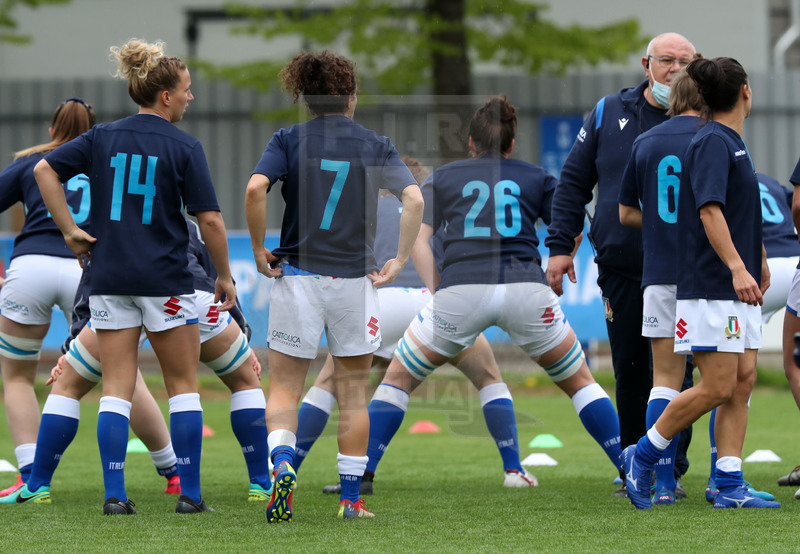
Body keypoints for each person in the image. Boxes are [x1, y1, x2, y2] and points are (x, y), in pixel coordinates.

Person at [361, 95, 623, 493]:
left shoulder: (444, 178)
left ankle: (363, 474)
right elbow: (570, 224)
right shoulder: (536, 176)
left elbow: (418, 237)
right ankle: (627, 467)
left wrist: (437, 289)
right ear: (511, 144)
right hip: (525, 288)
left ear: (470, 143)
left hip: (462, 290)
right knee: (580, 381)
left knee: (397, 378)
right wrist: (560, 257)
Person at [34, 39, 235, 516]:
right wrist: (224, 275)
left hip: (110, 279)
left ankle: (115, 495)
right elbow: (208, 220)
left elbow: (44, 168)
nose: (191, 98)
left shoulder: (102, 138)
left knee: (116, 387)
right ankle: (189, 494)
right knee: (183, 385)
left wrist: (70, 231)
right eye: (187, 90)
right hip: (165, 279)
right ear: (165, 95)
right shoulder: (185, 145)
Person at [245, 51, 423, 521]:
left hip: (297, 278)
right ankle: (350, 499)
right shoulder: (375, 144)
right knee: (352, 394)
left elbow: (254, 189)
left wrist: (260, 250)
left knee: (284, 387)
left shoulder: (287, 139)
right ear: (351, 95)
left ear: (304, 97)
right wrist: (400, 258)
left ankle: (282, 462)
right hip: (352, 282)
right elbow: (413, 198)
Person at [293, 158, 538, 493]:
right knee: (489, 378)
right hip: (432, 302)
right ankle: (513, 469)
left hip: (384, 303)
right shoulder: (431, 211)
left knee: (329, 381)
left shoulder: (368, 211)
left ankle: (290, 467)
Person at [1, 219, 270, 505]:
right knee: (237, 380)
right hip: (183, 294)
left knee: (74, 386)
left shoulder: (105, 216)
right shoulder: (184, 220)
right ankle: (257, 484)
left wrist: (71, 347)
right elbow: (217, 272)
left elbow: (89, 281)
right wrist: (240, 333)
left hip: (121, 298)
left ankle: (40, 485)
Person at [622, 57, 780, 510]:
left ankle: (729, 485)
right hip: (713, 285)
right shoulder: (712, 141)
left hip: (738, 285)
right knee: (717, 385)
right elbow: (709, 211)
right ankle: (643, 454)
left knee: (744, 380)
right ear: (745, 91)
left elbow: (736, 212)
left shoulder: (730, 140)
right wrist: (736, 266)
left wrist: (759, 260)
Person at [546, 32, 696, 497]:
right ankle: (634, 461)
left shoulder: (706, 116)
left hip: (686, 268)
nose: (675, 69)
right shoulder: (610, 111)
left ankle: (670, 464)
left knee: (680, 373)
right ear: (646, 63)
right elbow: (573, 182)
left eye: (685, 62)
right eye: (666, 60)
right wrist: (558, 247)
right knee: (631, 369)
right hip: (623, 266)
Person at [0, 98, 95, 498]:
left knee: (18, 377)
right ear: (94, 128)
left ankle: (30, 477)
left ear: (51, 129)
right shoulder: (102, 161)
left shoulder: (28, 164)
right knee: (124, 375)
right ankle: (169, 469)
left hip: (30, 269)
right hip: (84, 268)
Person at [618, 69, 704, 505]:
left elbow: (624, 213)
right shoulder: (715, 137)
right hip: (705, 273)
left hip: (658, 272)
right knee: (724, 378)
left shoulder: (645, 142)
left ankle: (660, 484)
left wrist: (658, 218)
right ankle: (726, 475)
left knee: (664, 379)